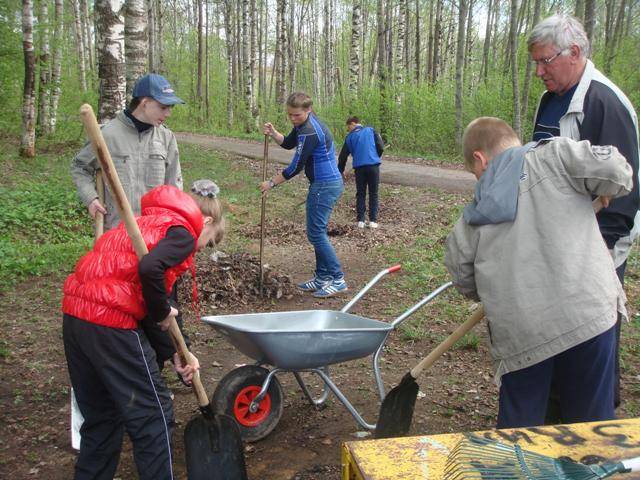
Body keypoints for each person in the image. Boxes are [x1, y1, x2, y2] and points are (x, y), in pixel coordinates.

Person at [445, 117, 632, 429]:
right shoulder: (558, 156)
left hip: (522, 335)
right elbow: (620, 171)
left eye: (475, 173)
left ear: (480, 158)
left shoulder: (472, 218)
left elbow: (462, 275)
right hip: (588, 315)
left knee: (521, 431)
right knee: (593, 429)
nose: (479, 180)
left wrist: (497, 287)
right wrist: (606, 188)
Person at [62, 181, 224, 480]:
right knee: (153, 414)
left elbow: (152, 295)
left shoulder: (145, 224)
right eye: (210, 241)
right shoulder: (183, 234)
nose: (202, 249)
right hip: (110, 323)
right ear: (208, 223)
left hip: (76, 316)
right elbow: (150, 275)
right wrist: (163, 311)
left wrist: (175, 352)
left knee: (102, 417)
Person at [528, 13, 639, 410]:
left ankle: (593, 432)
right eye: (536, 63)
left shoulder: (604, 103)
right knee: (558, 338)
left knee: (591, 340)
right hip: (557, 244)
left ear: (574, 52)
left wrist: (596, 257)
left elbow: (623, 195)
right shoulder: (552, 98)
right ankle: (558, 417)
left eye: (546, 61)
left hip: (593, 251)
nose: (539, 71)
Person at [71, 73, 185, 231]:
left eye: (170, 108)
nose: (168, 114)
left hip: (154, 233)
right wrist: (91, 198)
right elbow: (80, 167)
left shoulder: (166, 138)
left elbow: (174, 188)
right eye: (163, 107)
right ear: (144, 103)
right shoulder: (106, 135)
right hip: (115, 233)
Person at [261, 92, 346, 298]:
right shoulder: (304, 125)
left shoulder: (310, 131)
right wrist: (274, 133)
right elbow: (289, 142)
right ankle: (322, 277)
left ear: (308, 110)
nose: (293, 118)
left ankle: (338, 279)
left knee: (316, 234)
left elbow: (295, 166)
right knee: (317, 232)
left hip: (325, 185)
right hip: (324, 184)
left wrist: (271, 183)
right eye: (290, 114)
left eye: (297, 115)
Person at [338, 116, 384, 229]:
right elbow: (380, 146)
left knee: (361, 193)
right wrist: (375, 155)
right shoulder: (371, 130)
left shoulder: (349, 137)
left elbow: (343, 156)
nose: (348, 130)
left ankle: (361, 220)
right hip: (373, 166)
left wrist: (341, 170)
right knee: (374, 193)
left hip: (359, 168)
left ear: (353, 123)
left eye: (348, 127)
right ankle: (373, 220)